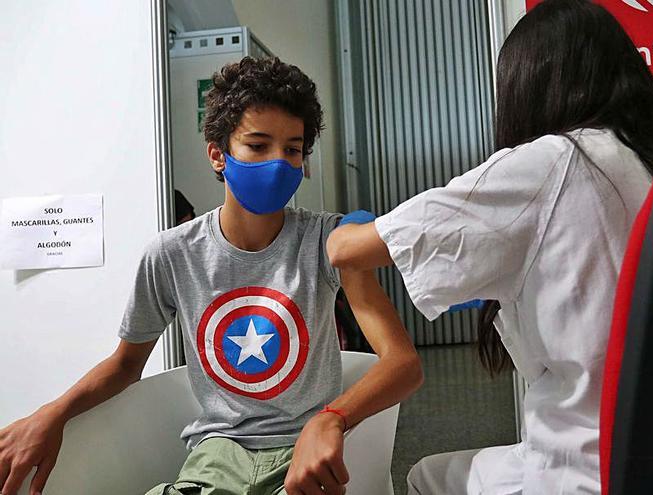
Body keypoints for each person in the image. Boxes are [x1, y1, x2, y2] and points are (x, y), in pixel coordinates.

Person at [0, 56, 423, 495]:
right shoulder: (171, 255)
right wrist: (51, 415)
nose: (279, 162)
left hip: (307, 453)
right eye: (258, 146)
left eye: (293, 149)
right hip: (216, 458)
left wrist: (331, 419)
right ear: (218, 155)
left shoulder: (330, 242)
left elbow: (402, 364)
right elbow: (126, 365)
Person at [326, 1, 653, 493]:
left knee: (425, 477)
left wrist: (345, 230)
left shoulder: (549, 162)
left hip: (585, 467)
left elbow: (352, 249)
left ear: (526, 86)